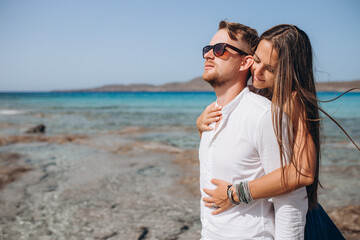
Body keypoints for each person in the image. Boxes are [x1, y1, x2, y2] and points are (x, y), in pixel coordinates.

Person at [198, 24, 349, 239]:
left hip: (304, 221)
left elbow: (302, 173)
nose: (257, 72)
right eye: (257, 60)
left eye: (270, 69)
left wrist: (235, 193)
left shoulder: (291, 101)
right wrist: (202, 128)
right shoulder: (255, 96)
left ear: (288, 72)